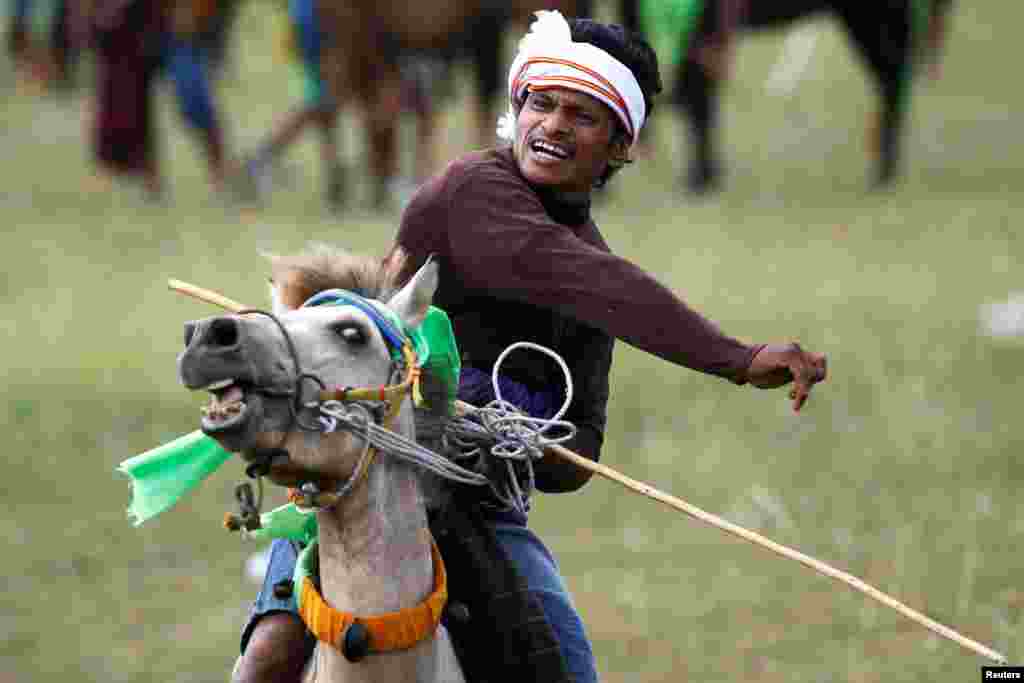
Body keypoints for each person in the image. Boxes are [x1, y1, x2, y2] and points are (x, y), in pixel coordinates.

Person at [234, 11, 826, 683]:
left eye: (583, 115)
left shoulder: (596, 288)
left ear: (620, 148)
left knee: (566, 666)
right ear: (516, 109)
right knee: (269, 655)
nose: (552, 125)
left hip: (481, 510)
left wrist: (511, 440)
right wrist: (737, 358)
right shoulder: (473, 192)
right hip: (361, 490)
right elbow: (577, 273)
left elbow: (582, 452)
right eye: (541, 104)